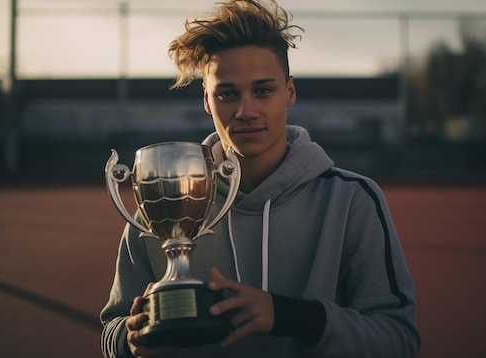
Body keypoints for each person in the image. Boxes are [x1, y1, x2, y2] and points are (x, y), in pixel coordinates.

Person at [100, 0, 421, 357]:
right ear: (207, 100)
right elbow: (113, 327)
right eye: (227, 93)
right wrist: (129, 343)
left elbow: (399, 340)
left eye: (263, 90)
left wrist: (289, 317)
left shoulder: (350, 201)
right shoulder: (164, 201)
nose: (246, 111)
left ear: (290, 92)